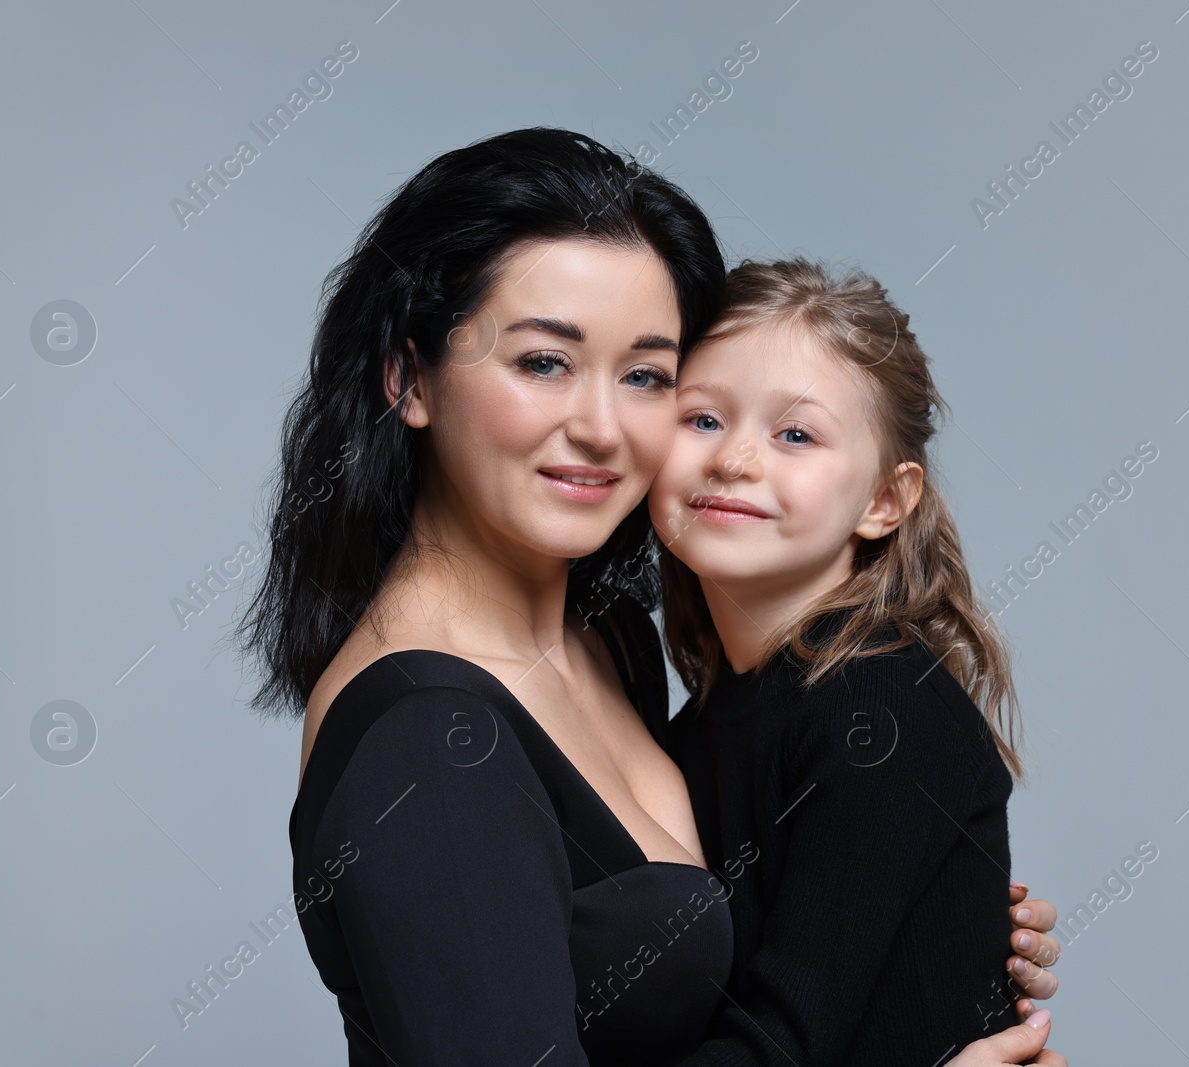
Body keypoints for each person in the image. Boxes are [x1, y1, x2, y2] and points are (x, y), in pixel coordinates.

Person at [240, 127, 1062, 1066]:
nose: (598, 427)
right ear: (409, 376)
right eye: (543, 361)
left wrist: (927, 914)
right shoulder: (429, 744)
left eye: (645, 376)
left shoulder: (614, 645)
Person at [653, 257, 1045, 1063]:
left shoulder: (878, 710)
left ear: (882, 502)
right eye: (702, 418)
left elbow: (781, 1044)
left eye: (795, 433)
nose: (735, 458)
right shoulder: (695, 730)